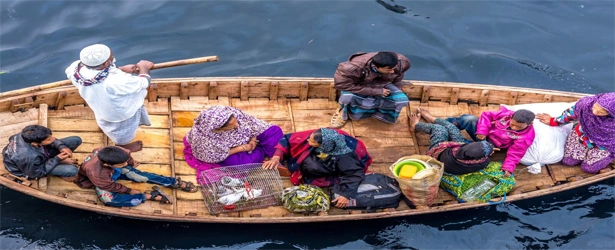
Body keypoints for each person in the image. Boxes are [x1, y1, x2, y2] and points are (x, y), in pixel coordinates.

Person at [65, 44, 154, 152]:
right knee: (124, 132)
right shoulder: (116, 80)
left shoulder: (75, 69)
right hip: (120, 113)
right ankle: (122, 146)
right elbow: (144, 82)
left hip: (99, 106)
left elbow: (101, 74)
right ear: (106, 63)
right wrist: (144, 68)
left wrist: (121, 69)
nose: (113, 58)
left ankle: (109, 133)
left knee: (105, 121)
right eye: (111, 57)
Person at [262, 128, 372, 208]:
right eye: (310, 138)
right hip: (326, 156)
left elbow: (354, 174)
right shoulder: (324, 134)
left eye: (312, 142)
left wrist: (346, 195)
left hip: (335, 164)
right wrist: (276, 157)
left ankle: (309, 170)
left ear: (324, 146)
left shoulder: (344, 156)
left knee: (310, 166)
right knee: (306, 159)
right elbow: (288, 138)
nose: (308, 141)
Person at [75, 146, 198, 207]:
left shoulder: (121, 152)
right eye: (121, 164)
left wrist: (130, 163)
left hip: (112, 171)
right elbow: (110, 185)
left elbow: (128, 158)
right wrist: (129, 190)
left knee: (141, 176)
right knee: (108, 200)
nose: (125, 165)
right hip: (103, 180)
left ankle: (172, 182)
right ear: (107, 164)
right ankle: (147, 196)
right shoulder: (96, 173)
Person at [183, 106, 284, 176]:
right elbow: (214, 155)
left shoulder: (232, 113)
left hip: (249, 141)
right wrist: (242, 148)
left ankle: (270, 156)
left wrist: (253, 139)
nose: (237, 125)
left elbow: (252, 123)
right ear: (219, 129)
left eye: (235, 122)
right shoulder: (204, 138)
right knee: (245, 164)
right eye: (232, 126)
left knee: (275, 131)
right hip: (230, 151)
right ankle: (264, 152)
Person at [535, 92, 615, 173]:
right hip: (583, 136)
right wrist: (553, 121)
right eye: (596, 107)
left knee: (588, 168)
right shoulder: (586, 104)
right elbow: (570, 114)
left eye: (601, 112)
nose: (595, 112)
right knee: (568, 161)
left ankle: (609, 156)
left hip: (603, 145)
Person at [446, 107, 536, 177]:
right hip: (483, 134)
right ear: (511, 117)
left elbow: (516, 152)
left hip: (491, 145)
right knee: (470, 119)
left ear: (529, 124)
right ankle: (446, 124)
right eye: (512, 124)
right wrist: (482, 131)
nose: (514, 128)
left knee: (472, 149)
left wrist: (508, 167)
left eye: (519, 127)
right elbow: (486, 115)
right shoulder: (506, 115)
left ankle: (455, 140)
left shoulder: (526, 137)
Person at [331, 51, 411, 128]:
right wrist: (377, 92)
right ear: (375, 67)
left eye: (394, 68)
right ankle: (343, 112)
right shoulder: (352, 68)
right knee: (346, 97)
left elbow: (398, 78)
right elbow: (342, 85)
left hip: (383, 84)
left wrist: (396, 90)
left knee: (402, 100)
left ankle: (380, 114)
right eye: (388, 70)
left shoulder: (401, 63)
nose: (393, 71)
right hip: (361, 85)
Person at [410, 108, 494, 175]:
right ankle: (432, 119)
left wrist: (452, 143)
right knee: (452, 129)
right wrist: (487, 150)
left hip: (439, 154)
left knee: (439, 129)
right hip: (455, 156)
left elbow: (446, 146)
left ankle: (416, 125)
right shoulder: (485, 162)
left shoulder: (451, 156)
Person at [3, 125, 81, 179]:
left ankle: (55, 163)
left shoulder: (25, 134)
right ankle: (58, 170)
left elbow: (51, 139)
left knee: (76, 140)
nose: (53, 139)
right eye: (48, 140)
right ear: (35, 143)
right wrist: (57, 159)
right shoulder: (28, 157)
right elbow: (35, 173)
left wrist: (62, 147)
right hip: (31, 169)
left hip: (38, 155)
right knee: (72, 171)